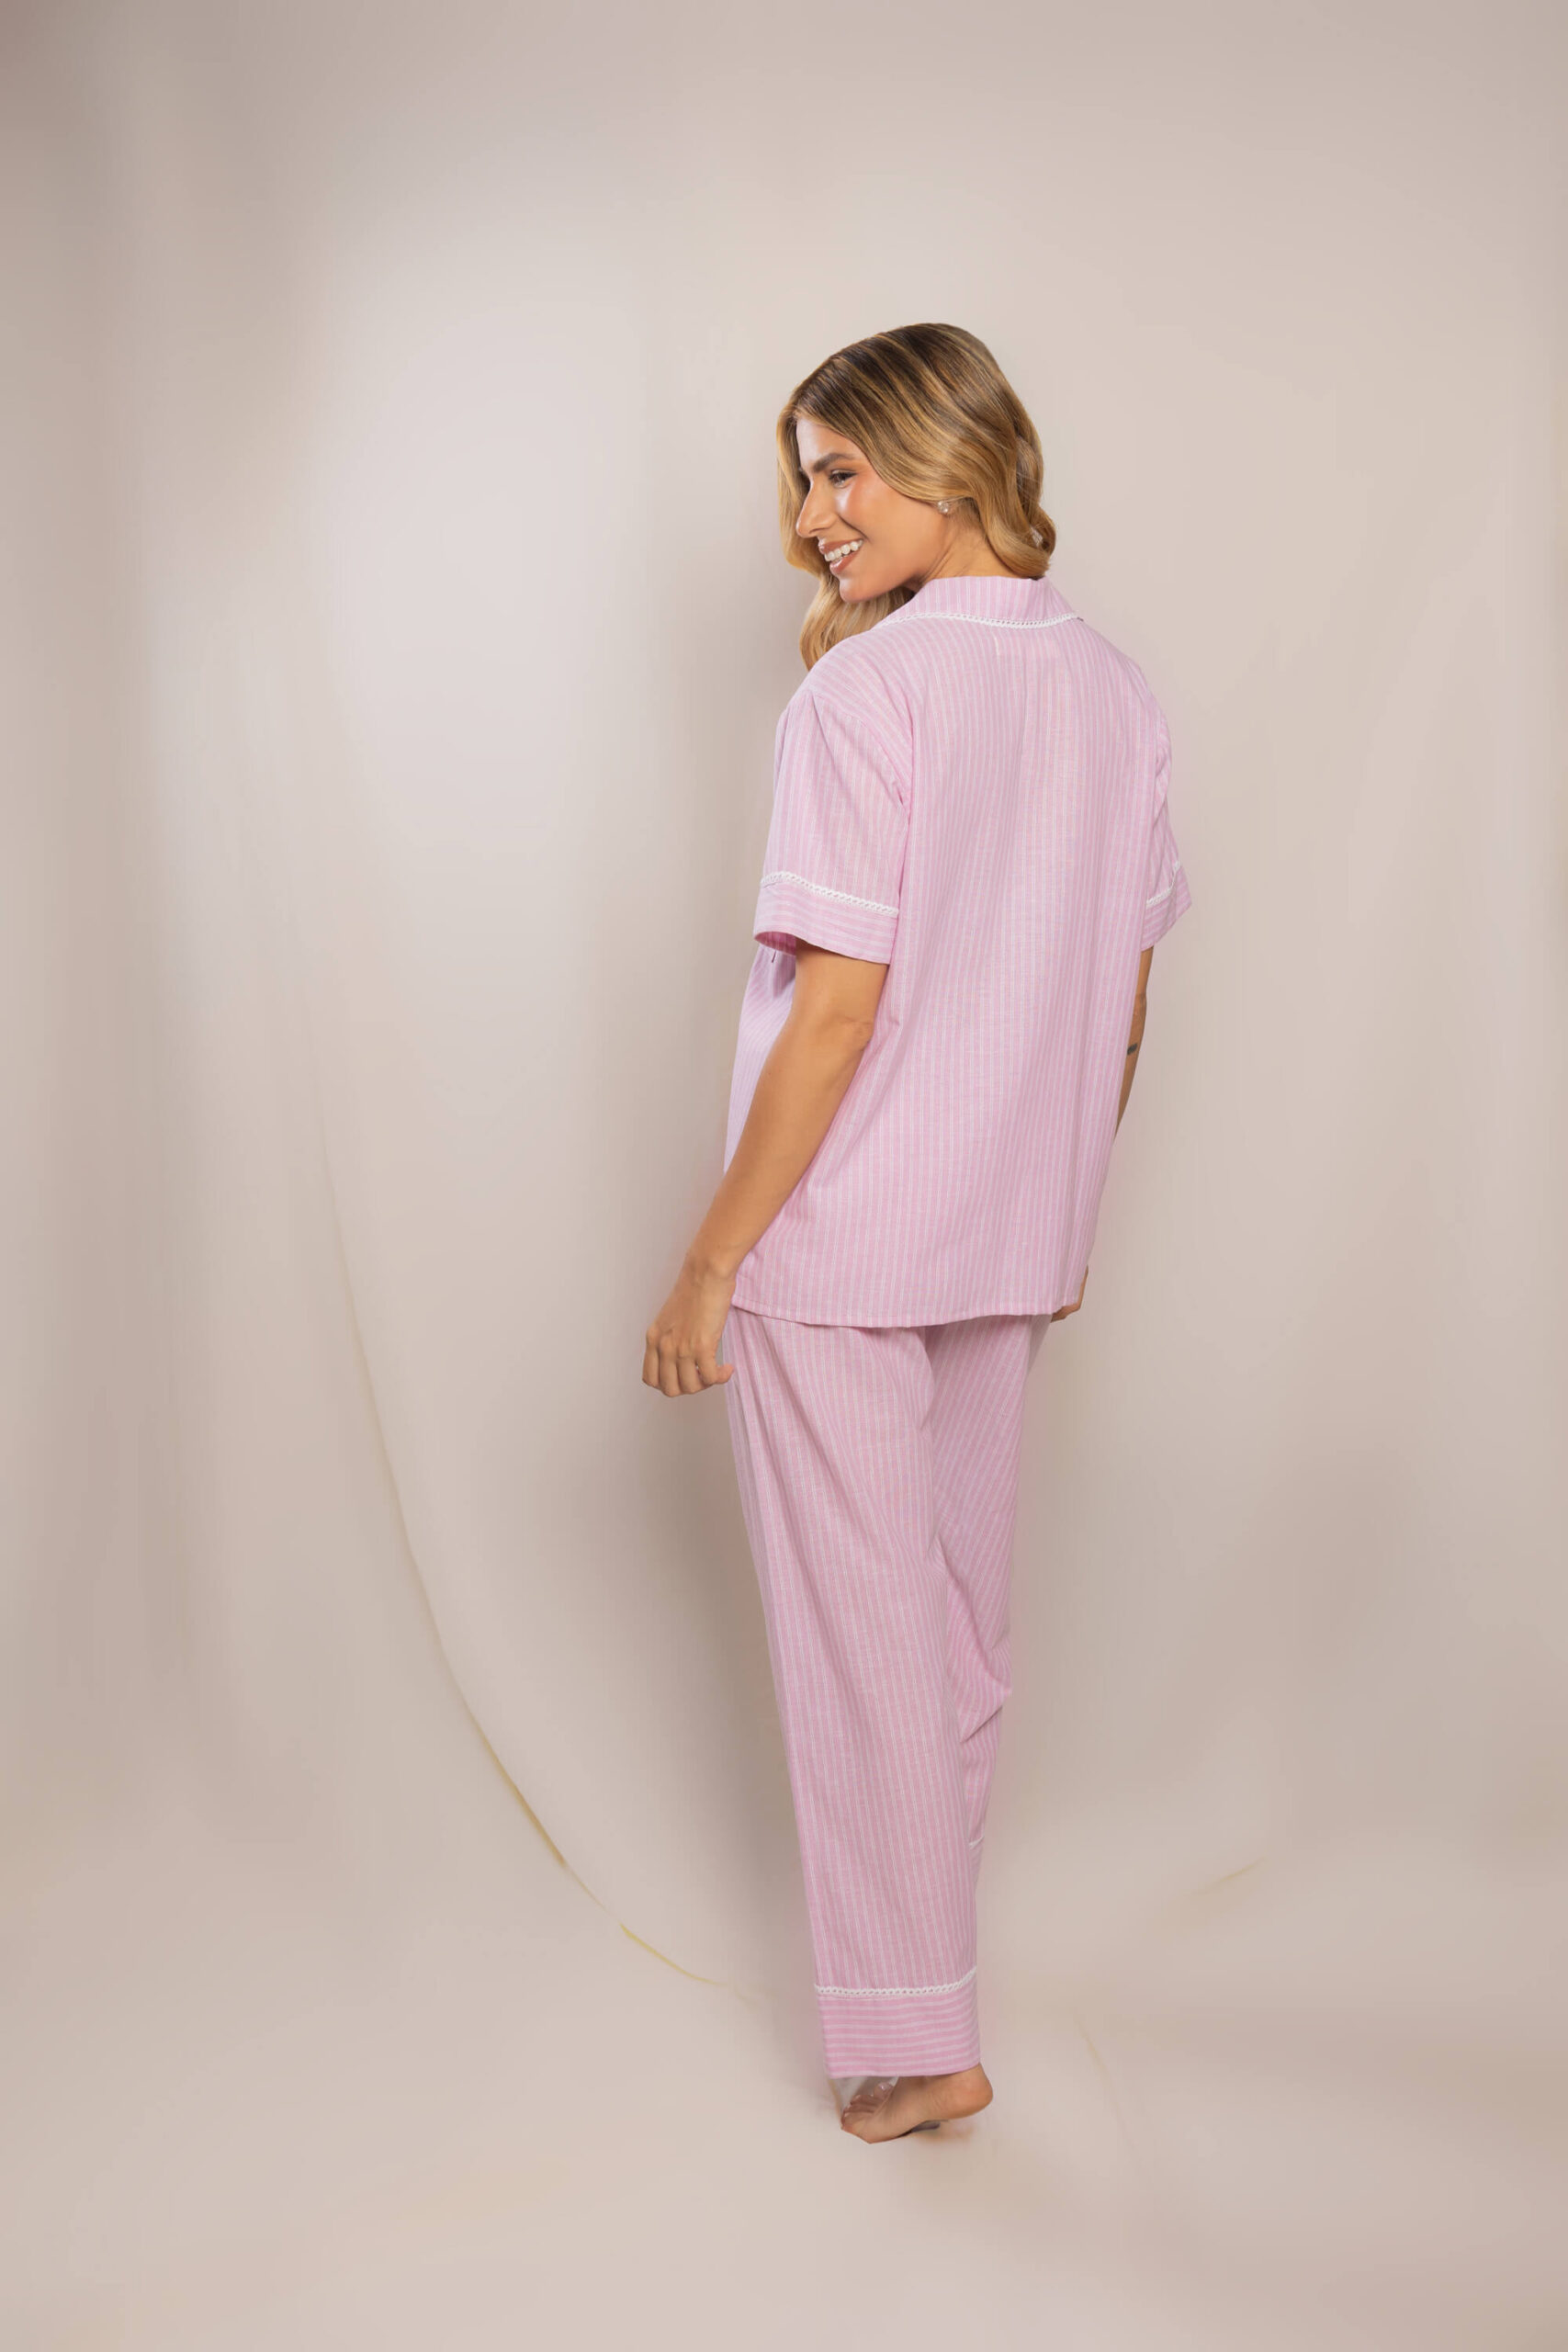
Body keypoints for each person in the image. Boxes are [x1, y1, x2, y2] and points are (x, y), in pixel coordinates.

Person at [642, 323, 1191, 2143]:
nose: (812, 516)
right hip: (1003, 1235)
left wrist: (712, 1259)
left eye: (839, 469)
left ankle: (914, 2035)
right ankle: (921, 1997)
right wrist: (1059, 1202)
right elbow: (1120, 1007)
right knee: (952, 1633)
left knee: (863, 1642)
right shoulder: (1114, 693)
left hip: (841, 1238)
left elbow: (832, 1014)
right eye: (803, 479)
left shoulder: (860, 700)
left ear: (943, 451)